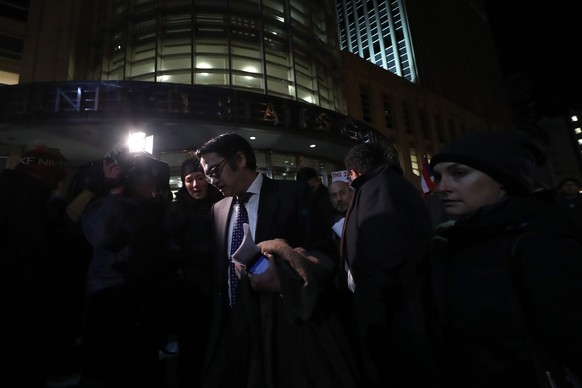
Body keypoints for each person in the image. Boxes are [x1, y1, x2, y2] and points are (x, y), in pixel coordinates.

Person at [195, 132, 359, 388]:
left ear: (239, 159)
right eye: (208, 174)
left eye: (215, 170)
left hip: (283, 330)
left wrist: (284, 278)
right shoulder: (218, 209)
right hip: (231, 328)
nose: (212, 180)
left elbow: (326, 257)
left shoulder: (293, 195)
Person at [430, 130, 582, 388]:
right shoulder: (455, 241)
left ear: (503, 178)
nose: (442, 187)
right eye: (439, 177)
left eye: (459, 174)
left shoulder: (540, 244)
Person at [340, 141, 442, 388]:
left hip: (395, 319)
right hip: (398, 313)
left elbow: (382, 256)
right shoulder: (387, 185)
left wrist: (372, 317)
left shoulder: (379, 189)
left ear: (353, 172)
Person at [79, 151, 171, 388]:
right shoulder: (106, 203)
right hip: (109, 303)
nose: (153, 187)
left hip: (142, 305)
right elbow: (99, 235)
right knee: (105, 373)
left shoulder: (150, 209)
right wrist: (115, 192)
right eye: (147, 181)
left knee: (140, 371)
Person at [0, 142, 68, 388]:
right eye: (56, 178)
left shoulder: (13, 192)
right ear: (46, 172)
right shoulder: (29, 201)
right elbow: (38, 252)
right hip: (21, 308)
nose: (57, 185)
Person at [162, 155, 223, 388]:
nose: (195, 185)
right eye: (189, 180)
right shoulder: (176, 210)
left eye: (200, 178)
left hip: (219, 288)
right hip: (189, 291)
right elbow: (169, 247)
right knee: (191, 350)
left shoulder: (223, 205)